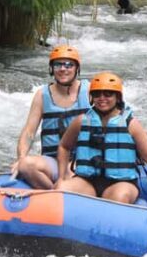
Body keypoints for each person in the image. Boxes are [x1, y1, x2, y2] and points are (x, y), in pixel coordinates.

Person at [55, 72, 147, 204]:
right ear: (91, 97)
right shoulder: (81, 121)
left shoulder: (131, 124)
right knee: (61, 189)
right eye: (97, 94)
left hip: (122, 182)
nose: (102, 98)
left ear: (117, 97)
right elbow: (64, 146)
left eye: (108, 94)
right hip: (87, 181)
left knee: (119, 197)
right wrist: (61, 177)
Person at [11, 45, 90, 189]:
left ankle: (61, 189)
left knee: (72, 176)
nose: (63, 69)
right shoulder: (42, 95)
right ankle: (52, 193)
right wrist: (21, 158)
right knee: (25, 165)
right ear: (51, 68)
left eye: (69, 65)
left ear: (77, 68)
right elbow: (29, 131)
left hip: (83, 158)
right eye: (58, 64)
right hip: (53, 160)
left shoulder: (90, 91)